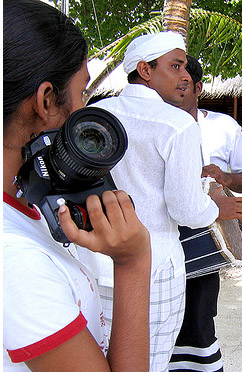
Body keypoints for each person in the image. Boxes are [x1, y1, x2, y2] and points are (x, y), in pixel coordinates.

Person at [79, 32, 242, 372]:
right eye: (175, 66)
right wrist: (217, 207)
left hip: (94, 262)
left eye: (185, 67)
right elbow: (186, 209)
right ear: (145, 69)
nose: (186, 76)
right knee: (147, 362)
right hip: (152, 269)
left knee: (99, 354)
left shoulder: (95, 113)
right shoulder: (177, 124)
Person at [3, 1, 151, 371]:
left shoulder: (20, 200)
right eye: (82, 91)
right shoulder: (16, 260)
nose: (85, 107)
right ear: (46, 101)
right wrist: (133, 262)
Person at [168, 55, 242, 372]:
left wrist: (226, 178)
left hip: (204, 243)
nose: (176, 91)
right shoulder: (153, 126)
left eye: (184, 84)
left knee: (198, 320)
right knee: (154, 320)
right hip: (156, 241)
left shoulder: (223, 127)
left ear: (198, 87)